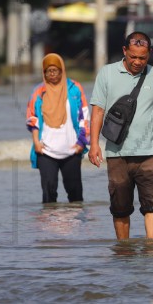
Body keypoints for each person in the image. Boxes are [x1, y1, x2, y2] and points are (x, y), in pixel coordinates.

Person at [88, 31, 153, 239]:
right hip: (117, 153)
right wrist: (94, 144)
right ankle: (124, 250)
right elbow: (98, 111)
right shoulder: (107, 73)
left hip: (150, 152)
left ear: (149, 54)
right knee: (120, 209)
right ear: (124, 51)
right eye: (133, 57)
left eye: (143, 58)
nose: (137, 62)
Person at [27, 53, 90, 203]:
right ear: (44, 72)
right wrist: (36, 142)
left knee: (75, 195)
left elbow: (85, 117)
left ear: (62, 70)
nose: (53, 74)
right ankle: (50, 224)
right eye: (49, 71)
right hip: (46, 151)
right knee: (49, 194)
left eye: (56, 70)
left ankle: (74, 225)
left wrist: (81, 143)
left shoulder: (74, 89)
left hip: (72, 150)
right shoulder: (38, 92)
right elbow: (32, 118)